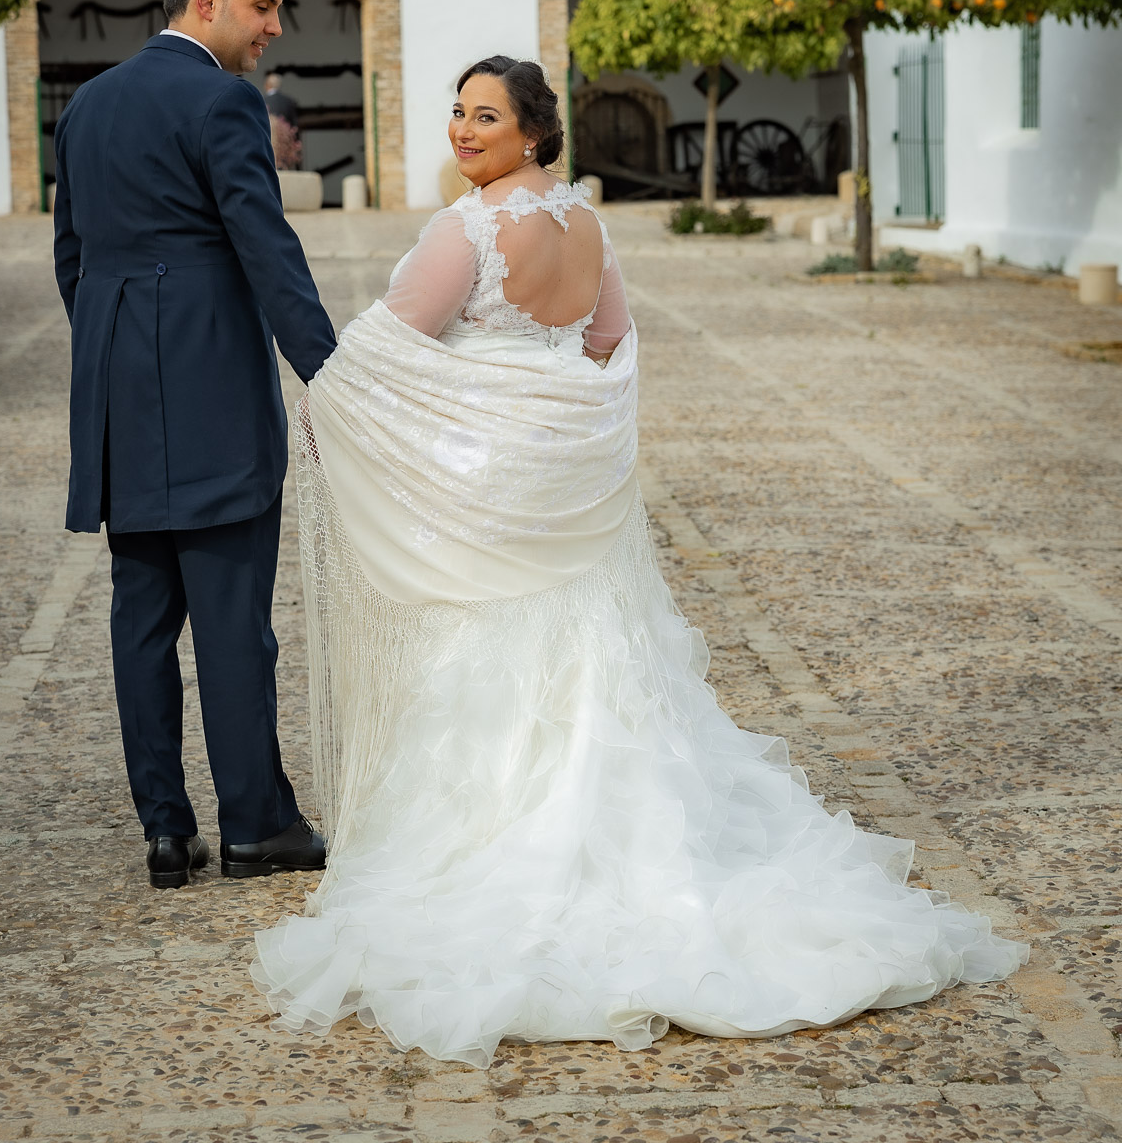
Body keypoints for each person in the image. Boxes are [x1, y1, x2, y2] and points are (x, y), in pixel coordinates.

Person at [251, 55, 1027, 1067]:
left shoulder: (466, 230)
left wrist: (346, 412)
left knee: (486, 649)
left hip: (495, 486)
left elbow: (390, 346)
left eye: (485, 115)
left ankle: (502, 844)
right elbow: (610, 341)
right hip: (561, 489)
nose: (462, 129)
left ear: (534, 132)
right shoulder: (586, 224)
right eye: (456, 112)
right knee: (588, 652)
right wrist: (554, 419)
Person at [53, 0, 336, 891]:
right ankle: (257, 826)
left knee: (141, 619)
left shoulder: (86, 104)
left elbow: (73, 262)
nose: (274, 28)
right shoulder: (224, 99)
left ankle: (166, 833)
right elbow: (267, 249)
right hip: (212, 393)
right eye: (263, 6)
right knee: (231, 626)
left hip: (117, 399)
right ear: (207, 0)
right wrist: (328, 376)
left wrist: (117, 355)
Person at [262, 70, 302, 171]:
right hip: (285, 147)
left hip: (268, 144)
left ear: (267, 85)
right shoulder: (289, 101)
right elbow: (294, 125)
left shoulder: (262, 100)